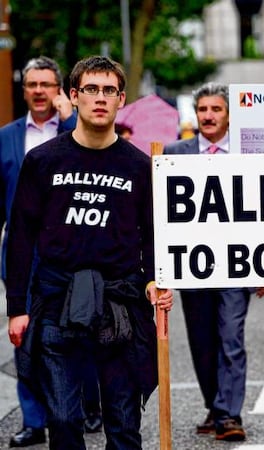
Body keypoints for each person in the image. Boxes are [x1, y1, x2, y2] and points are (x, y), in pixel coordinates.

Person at [4, 55, 173, 449]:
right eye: (91, 90)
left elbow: (152, 234)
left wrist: (155, 281)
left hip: (120, 304)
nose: (100, 98)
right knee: (63, 420)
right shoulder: (42, 162)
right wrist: (17, 307)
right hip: (56, 298)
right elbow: (21, 236)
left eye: (109, 91)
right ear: (74, 96)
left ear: (120, 99)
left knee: (123, 423)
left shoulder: (139, 166)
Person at [0, 56, 108, 448]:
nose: (40, 91)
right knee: (23, 337)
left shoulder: (72, 127)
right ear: (24, 89)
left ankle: (84, 403)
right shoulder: (7, 137)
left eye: (47, 84)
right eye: (33, 84)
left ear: (61, 91)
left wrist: (67, 121)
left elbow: (92, 156)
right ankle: (34, 419)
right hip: (22, 253)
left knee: (78, 331)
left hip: (70, 256)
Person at [164, 82, 263, 441]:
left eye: (215, 109)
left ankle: (229, 415)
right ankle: (215, 405)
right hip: (193, 264)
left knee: (231, 337)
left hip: (238, 263)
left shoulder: (248, 154)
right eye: (202, 109)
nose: (207, 116)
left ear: (229, 115)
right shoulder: (175, 153)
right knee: (202, 341)